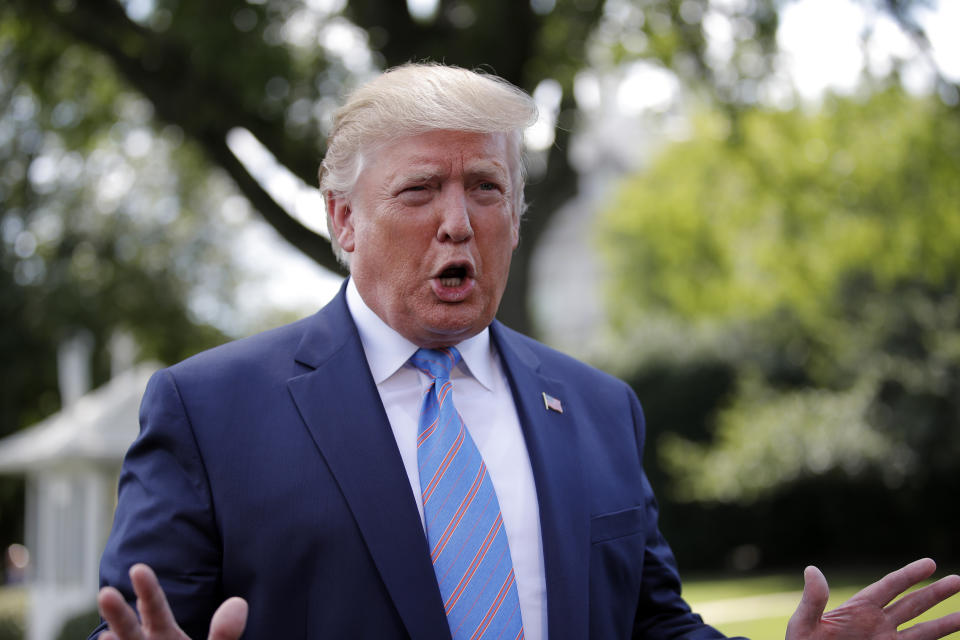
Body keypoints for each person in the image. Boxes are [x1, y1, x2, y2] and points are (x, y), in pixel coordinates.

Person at [92, 63, 960, 640]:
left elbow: (653, 625)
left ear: (516, 214)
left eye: (486, 188)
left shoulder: (597, 408)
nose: (459, 221)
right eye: (421, 190)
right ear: (344, 219)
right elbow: (133, 622)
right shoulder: (210, 411)